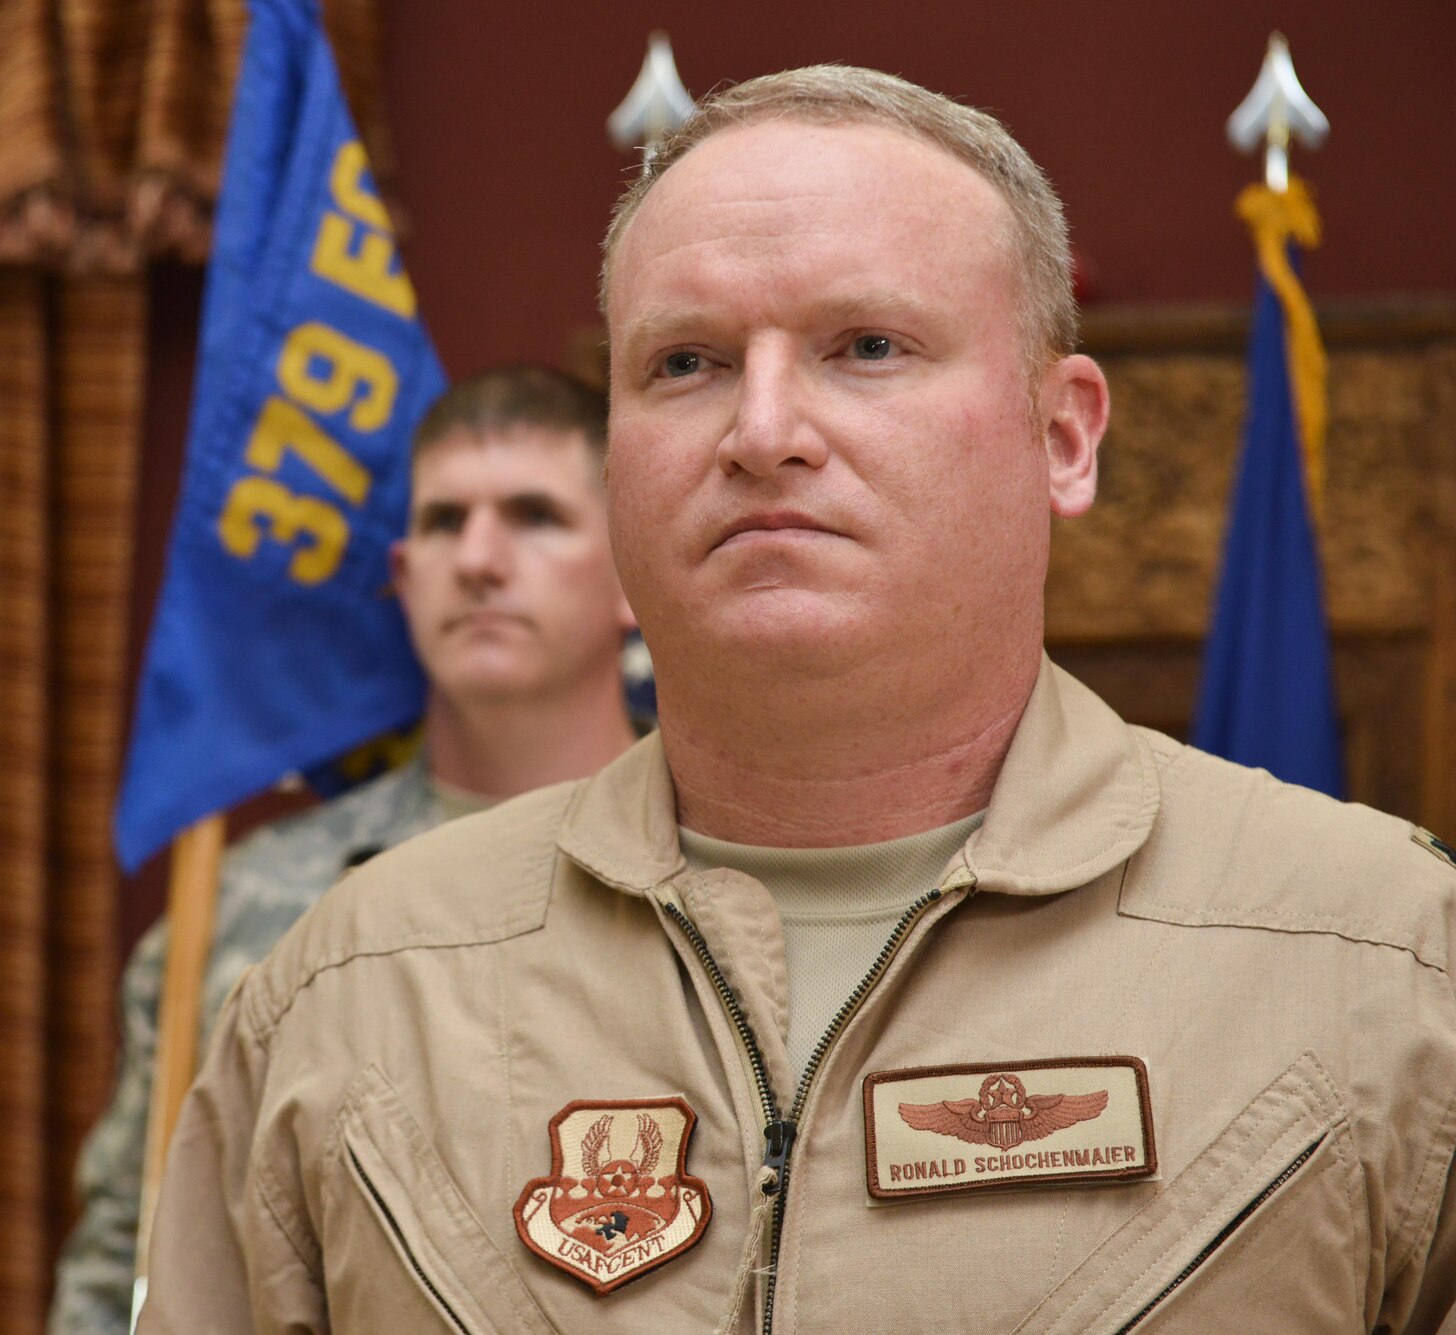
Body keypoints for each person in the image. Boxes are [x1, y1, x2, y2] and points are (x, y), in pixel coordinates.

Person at [136, 65, 1456, 1333]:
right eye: (686, 364)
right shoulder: (353, 993)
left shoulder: (1383, 967)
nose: (763, 429)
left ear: (1062, 435)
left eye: (866, 346)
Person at [48, 365, 640, 1333]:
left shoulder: (715, 865)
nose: (479, 560)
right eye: (445, 523)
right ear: (402, 580)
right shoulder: (255, 904)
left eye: (534, 516)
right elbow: (130, 1246)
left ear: (631, 570)